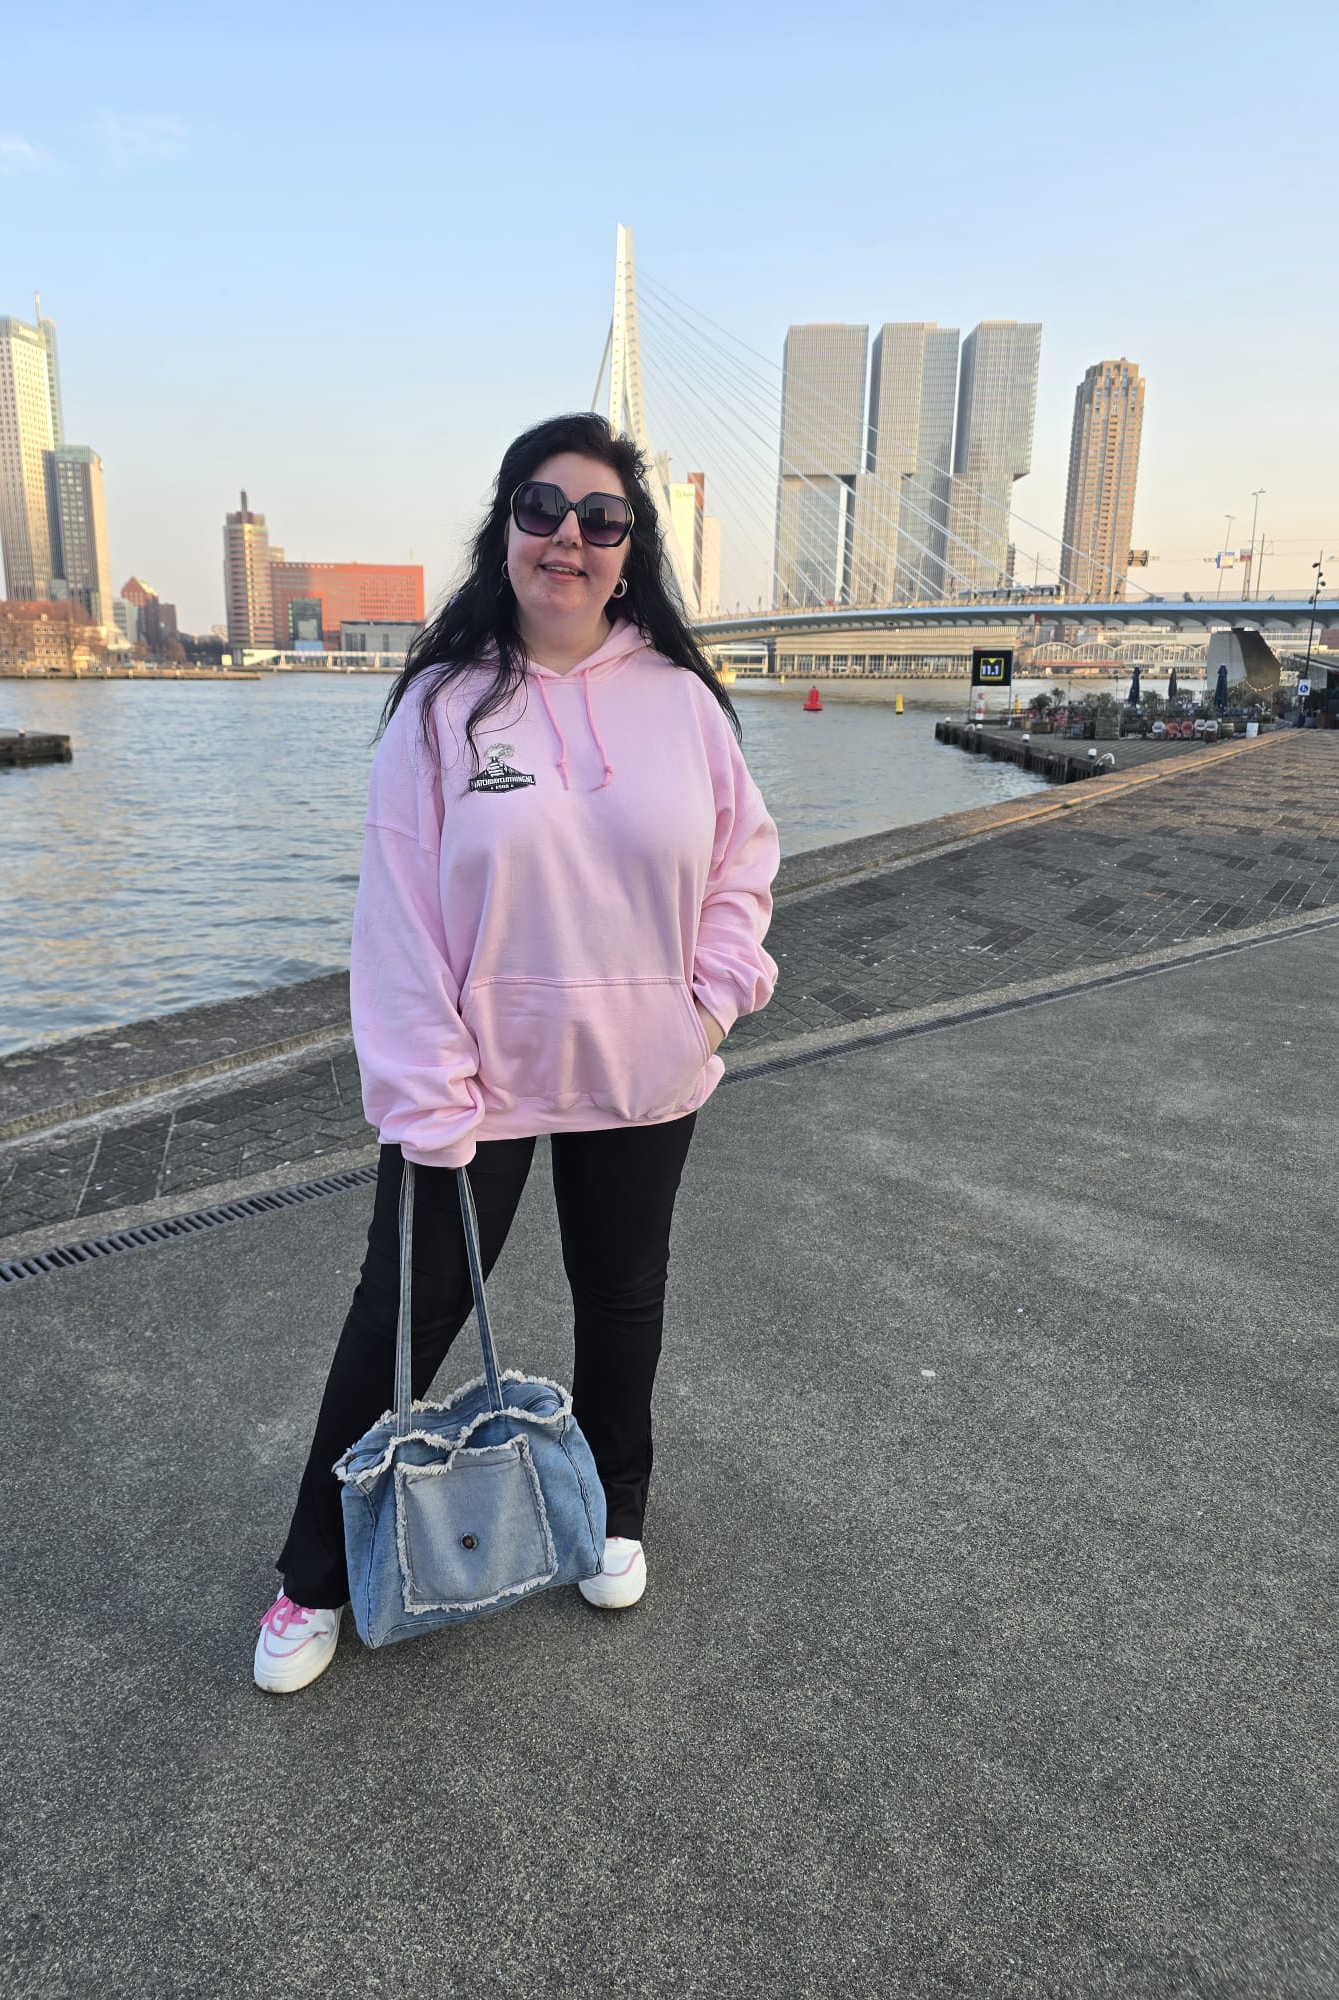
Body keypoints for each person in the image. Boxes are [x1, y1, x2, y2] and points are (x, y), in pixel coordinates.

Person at [256, 412, 780, 1694]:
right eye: (543, 508)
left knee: (624, 1297)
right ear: (505, 529)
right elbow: (399, 916)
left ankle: (613, 1510)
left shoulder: (682, 704)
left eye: (602, 519)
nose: (570, 538)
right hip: (474, 1082)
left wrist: (707, 1006)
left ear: (630, 549)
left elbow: (743, 864)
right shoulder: (444, 706)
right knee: (403, 1313)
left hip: (643, 1068)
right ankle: (313, 1574)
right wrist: (425, 1091)